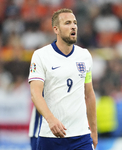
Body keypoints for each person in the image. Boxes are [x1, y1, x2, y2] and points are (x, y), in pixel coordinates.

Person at [28, 8, 98, 150]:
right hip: (51, 136)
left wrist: (94, 132)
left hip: (81, 136)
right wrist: (51, 120)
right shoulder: (41, 56)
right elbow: (35, 94)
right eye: (67, 23)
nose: (73, 26)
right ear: (56, 29)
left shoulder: (84, 56)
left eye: (75, 23)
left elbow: (89, 94)